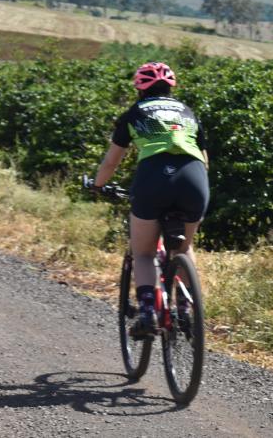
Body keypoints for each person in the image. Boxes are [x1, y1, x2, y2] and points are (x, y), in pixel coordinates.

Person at [92, 62, 209, 338]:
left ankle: (147, 313)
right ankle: (186, 309)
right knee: (182, 248)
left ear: (139, 88)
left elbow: (111, 162)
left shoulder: (134, 113)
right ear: (171, 87)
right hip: (195, 179)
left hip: (153, 178)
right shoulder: (188, 112)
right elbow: (205, 160)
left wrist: (98, 185)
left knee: (143, 252)